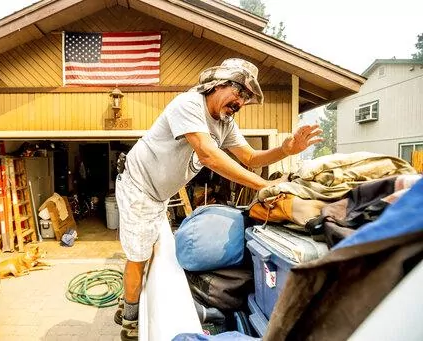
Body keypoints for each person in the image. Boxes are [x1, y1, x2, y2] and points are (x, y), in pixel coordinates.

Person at [113, 58, 323, 340]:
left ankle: (131, 297)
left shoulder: (225, 122)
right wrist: (265, 186)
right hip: (138, 187)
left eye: (247, 98)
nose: (241, 102)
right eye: (240, 92)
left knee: (150, 251)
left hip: (158, 194)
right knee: (138, 256)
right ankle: (129, 319)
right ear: (219, 84)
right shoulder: (188, 104)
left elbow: (250, 158)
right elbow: (208, 155)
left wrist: (285, 149)